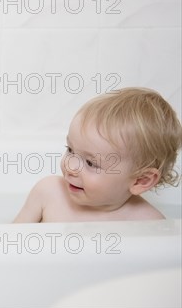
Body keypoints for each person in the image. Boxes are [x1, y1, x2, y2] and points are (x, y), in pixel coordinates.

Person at [14, 87, 182, 223]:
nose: (70, 166)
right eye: (70, 150)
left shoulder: (149, 223)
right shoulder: (49, 193)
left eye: (90, 163)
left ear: (141, 180)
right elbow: (10, 243)